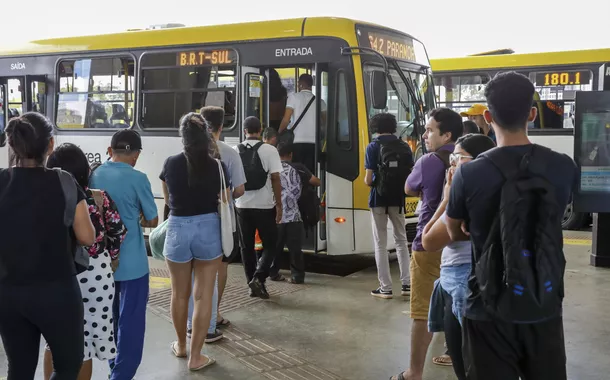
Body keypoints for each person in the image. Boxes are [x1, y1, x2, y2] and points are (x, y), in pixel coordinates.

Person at [446, 71, 577, 380]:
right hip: (543, 299)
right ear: (532, 114)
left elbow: (452, 233)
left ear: (488, 115)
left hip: (488, 305)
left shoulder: (469, 174)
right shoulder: (562, 166)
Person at [0, 113, 96, 379]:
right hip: (57, 292)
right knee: (67, 365)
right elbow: (87, 237)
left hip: (8, 292)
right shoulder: (64, 181)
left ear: (12, 144)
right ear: (50, 146)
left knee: (18, 368)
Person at [44, 143, 128, 380]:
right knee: (87, 345)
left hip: (58, 273)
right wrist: (109, 258)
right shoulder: (99, 198)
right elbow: (118, 231)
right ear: (85, 171)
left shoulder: (47, 200)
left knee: (54, 341)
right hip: (96, 275)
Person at [393, 108, 463, 380]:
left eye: (430, 130)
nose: (425, 134)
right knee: (460, 301)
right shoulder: (470, 158)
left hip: (430, 242)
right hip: (460, 242)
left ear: (446, 134)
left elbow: (409, 189)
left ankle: (414, 372)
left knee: (422, 310)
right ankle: (454, 354)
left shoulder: (429, 160)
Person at [421, 134, 495, 380]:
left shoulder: (467, 199)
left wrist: (446, 198)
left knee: (470, 365)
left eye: (457, 158)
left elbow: (428, 240)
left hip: (463, 283)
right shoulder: (493, 192)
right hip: (463, 281)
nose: (451, 164)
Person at [160, 112, 229, 371]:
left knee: (179, 294)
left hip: (178, 227)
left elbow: (167, 199)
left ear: (183, 137)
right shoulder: (217, 165)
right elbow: (224, 198)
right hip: (208, 228)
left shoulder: (171, 163)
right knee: (202, 296)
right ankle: (196, 357)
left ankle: (180, 345)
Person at [90, 129, 158, 380]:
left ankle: (113, 368)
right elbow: (152, 219)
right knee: (131, 322)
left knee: (109, 317)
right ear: (136, 155)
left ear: (110, 150)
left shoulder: (93, 174)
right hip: (133, 265)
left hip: (101, 264)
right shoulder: (139, 178)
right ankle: (121, 375)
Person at [185, 106, 247, 341]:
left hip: (189, 218)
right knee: (219, 266)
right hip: (220, 220)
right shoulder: (228, 153)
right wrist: (228, 198)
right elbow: (239, 189)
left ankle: (191, 324)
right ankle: (213, 316)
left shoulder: (186, 152)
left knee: (193, 272)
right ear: (221, 126)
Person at [364, 113, 413, 299]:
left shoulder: (373, 147)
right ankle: (407, 285)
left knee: (380, 243)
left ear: (375, 127)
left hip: (378, 198)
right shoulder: (404, 146)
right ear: (393, 127)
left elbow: (368, 180)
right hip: (398, 199)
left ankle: (385, 287)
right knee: (401, 241)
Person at [235, 116, 283, 299]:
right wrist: (279, 205)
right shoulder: (270, 150)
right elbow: (276, 178)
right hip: (264, 206)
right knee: (271, 244)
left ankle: (252, 284)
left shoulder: (235, 150)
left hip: (242, 205)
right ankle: (258, 278)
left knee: (246, 247)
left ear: (244, 130)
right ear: (261, 130)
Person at [269, 142, 321, 284]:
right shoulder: (299, 168)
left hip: (276, 216)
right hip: (294, 216)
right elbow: (317, 182)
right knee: (295, 248)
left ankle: (273, 273)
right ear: (291, 155)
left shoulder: (272, 169)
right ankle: (297, 276)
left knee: (276, 247)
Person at [278, 73, 327, 173]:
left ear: (300, 84)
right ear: (311, 85)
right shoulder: (320, 101)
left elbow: (286, 119)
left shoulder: (293, 97)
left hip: (297, 142)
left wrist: (279, 133)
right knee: (310, 172)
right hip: (314, 143)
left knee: (298, 171)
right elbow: (325, 122)